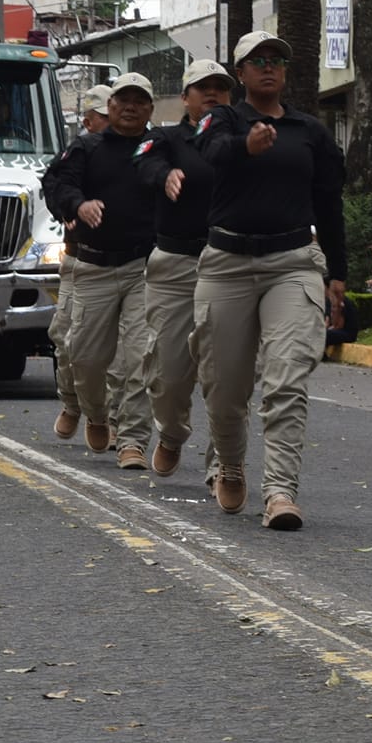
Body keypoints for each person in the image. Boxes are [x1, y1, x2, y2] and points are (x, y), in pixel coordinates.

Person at [193, 31, 350, 531]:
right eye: (257, 61)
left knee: (286, 380)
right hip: (227, 263)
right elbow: (210, 151)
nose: (268, 68)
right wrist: (246, 146)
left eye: (276, 61)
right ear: (239, 73)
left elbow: (329, 204)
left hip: (292, 262)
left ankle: (281, 490)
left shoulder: (309, 131)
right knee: (224, 387)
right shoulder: (224, 118)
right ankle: (231, 462)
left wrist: (339, 275)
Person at [41, 73, 159, 468]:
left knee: (141, 357)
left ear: (150, 109)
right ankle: (93, 412)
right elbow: (55, 183)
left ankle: (133, 441)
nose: (130, 107)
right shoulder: (86, 147)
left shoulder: (161, 149)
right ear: (109, 108)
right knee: (83, 357)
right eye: (123, 100)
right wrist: (77, 205)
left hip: (144, 269)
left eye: (139, 101)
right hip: (91, 267)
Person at [130, 59, 232, 478]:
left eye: (220, 87)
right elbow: (142, 160)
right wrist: (164, 173)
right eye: (201, 87)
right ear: (185, 96)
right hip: (174, 265)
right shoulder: (166, 138)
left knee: (226, 373)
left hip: (228, 264)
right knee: (168, 375)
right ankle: (171, 433)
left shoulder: (243, 137)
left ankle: (223, 464)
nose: (211, 94)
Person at [45, 83, 112, 441]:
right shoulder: (77, 151)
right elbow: (52, 185)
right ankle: (72, 404)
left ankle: (113, 420)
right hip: (79, 259)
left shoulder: (138, 150)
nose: (107, 121)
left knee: (126, 352)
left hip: (127, 263)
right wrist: (68, 210)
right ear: (87, 120)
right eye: (101, 116)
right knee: (67, 340)